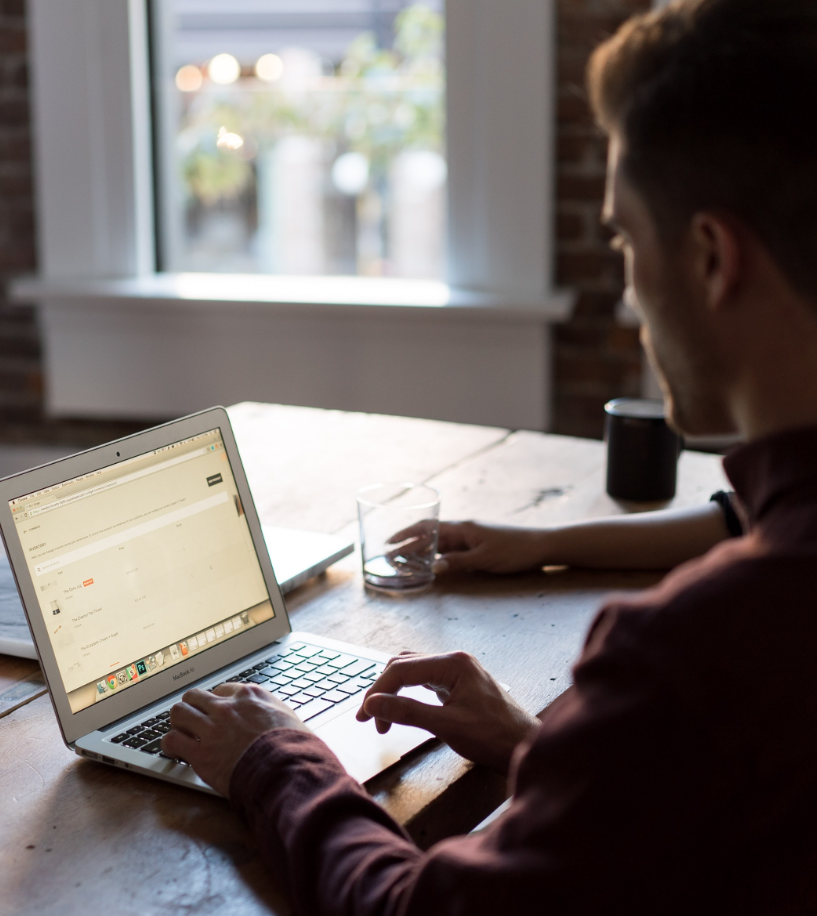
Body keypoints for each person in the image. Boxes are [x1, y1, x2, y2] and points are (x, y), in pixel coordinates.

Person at [162, 1, 817, 912]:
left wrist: (272, 760)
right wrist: (546, 750)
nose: (631, 296)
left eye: (625, 239)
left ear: (711, 259)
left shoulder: (692, 658)